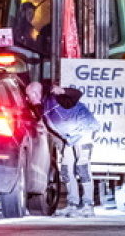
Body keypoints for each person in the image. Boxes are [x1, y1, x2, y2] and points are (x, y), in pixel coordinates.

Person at [42, 85, 100, 217]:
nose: (31, 97)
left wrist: (62, 91)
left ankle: (88, 205)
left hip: (84, 131)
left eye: (34, 93)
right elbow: (51, 128)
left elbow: (77, 94)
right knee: (66, 169)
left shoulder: (56, 98)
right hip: (69, 138)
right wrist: (61, 144)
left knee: (82, 167)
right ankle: (72, 204)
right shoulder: (43, 106)